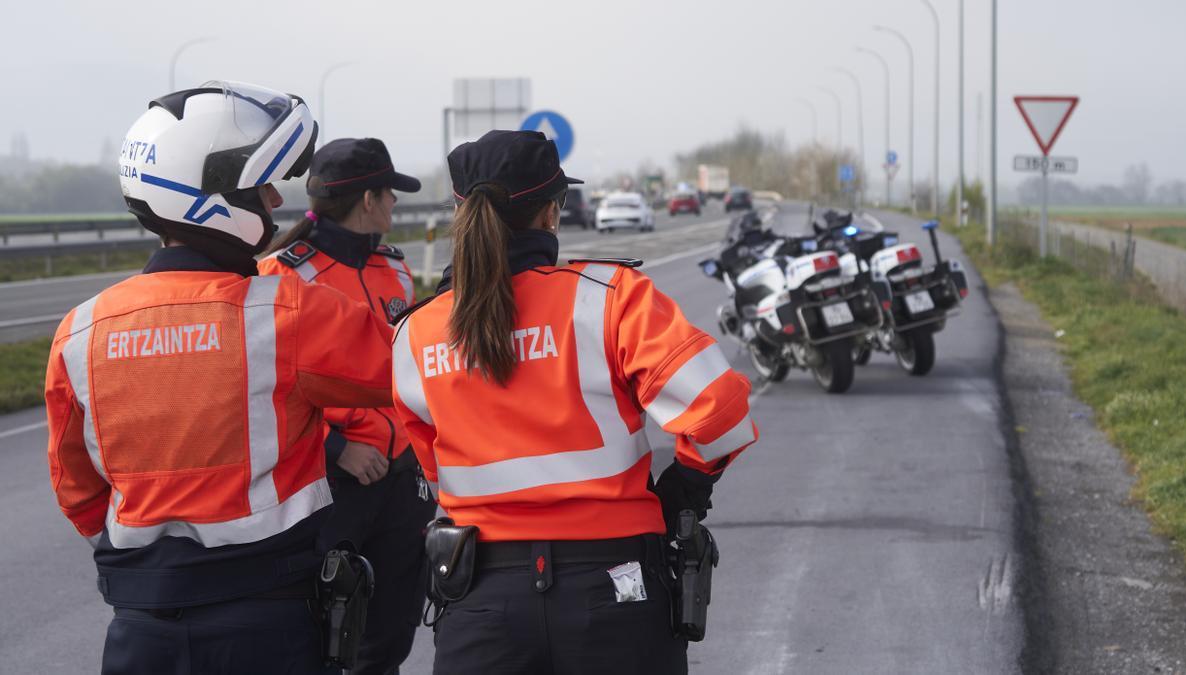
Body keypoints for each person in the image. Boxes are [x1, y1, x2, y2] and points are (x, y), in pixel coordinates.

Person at [45, 81, 396, 675]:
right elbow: (416, 373)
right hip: (267, 624)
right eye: (261, 187)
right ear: (210, 197)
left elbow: (75, 488)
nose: (275, 201)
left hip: (141, 627)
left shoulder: (80, 330)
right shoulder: (287, 311)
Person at [390, 130, 758, 674]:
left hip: (481, 603)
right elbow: (721, 410)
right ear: (551, 213)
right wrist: (686, 487)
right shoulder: (610, 297)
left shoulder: (415, 332)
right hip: (615, 589)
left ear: (462, 214)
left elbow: (434, 468)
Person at [259, 137, 435, 673]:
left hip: (401, 480)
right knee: (323, 634)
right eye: (390, 192)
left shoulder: (394, 267)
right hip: (330, 483)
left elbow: (404, 365)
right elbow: (262, 388)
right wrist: (337, 449)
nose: (395, 203)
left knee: (390, 635)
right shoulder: (283, 275)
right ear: (368, 200)